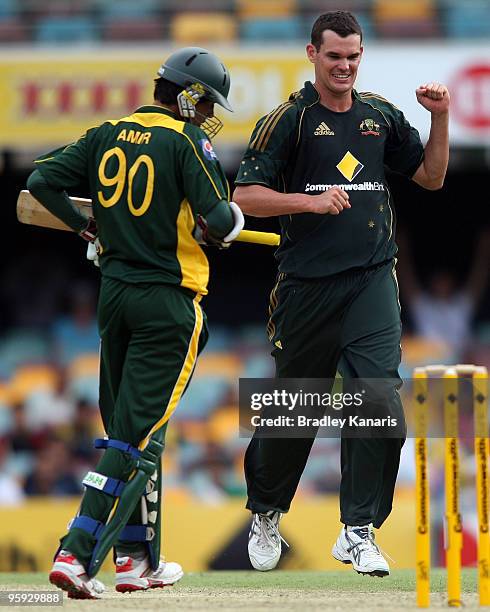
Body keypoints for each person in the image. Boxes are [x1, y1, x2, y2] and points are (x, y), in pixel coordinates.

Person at [234, 11, 449, 577]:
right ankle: (265, 512)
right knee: (293, 410)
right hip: (306, 286)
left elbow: (431, 177)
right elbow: (247, 196)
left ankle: (358, 529)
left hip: (373, 278)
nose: (345, 66)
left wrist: (442, 118)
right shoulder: (289, 120)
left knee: (378, 399)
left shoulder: (379, 115)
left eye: (353, 56)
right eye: (334, 56)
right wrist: (309, 201)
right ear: (312, 55)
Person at [26, 46, 244, 599]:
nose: (207, 113)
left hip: (115, 299)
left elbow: (42, 181)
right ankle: (76, 556)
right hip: (168, 306)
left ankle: (134, 561)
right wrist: (229, 222)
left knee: (141, 436)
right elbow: (220, 221)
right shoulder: (188, 140)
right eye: (206, 102)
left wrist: (86, 227)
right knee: (129, 441)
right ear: (190, 96)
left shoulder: (106, 133)